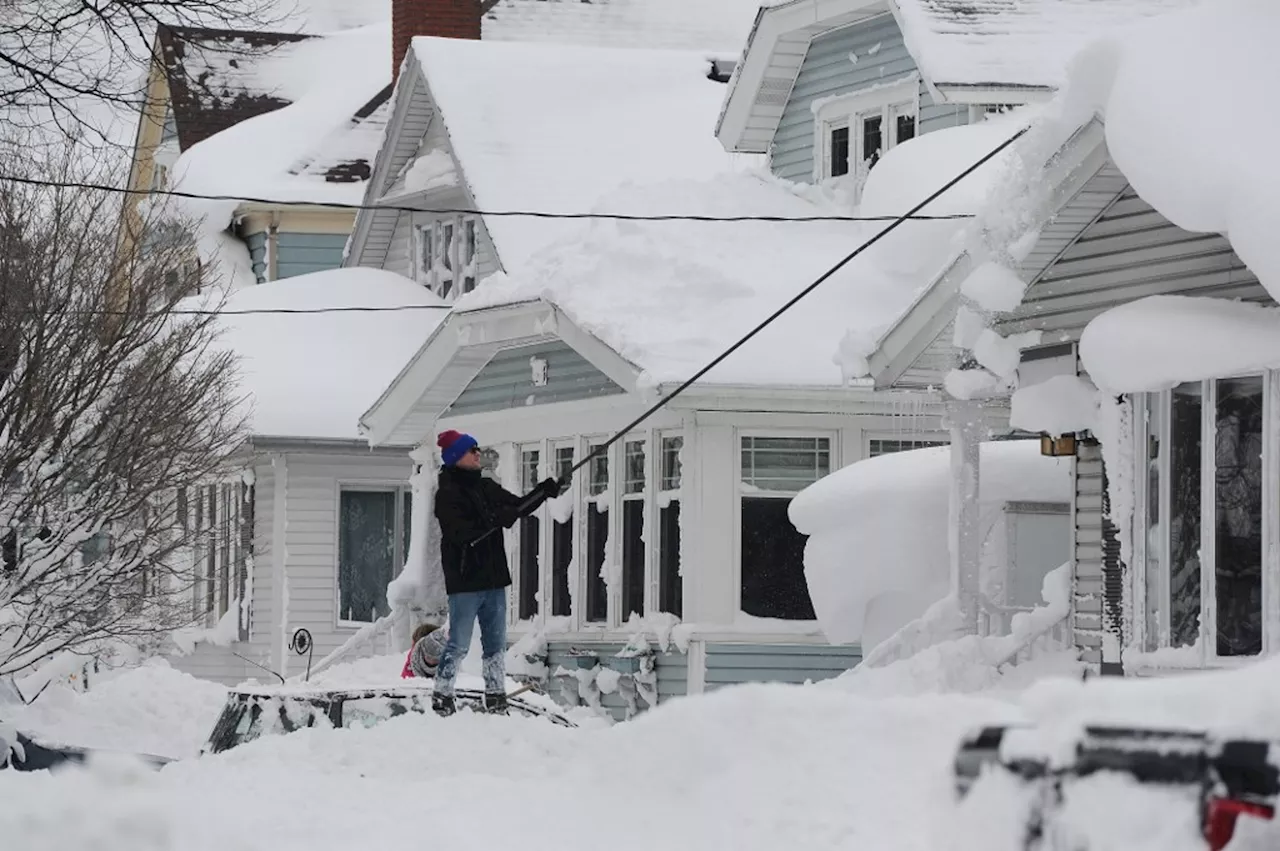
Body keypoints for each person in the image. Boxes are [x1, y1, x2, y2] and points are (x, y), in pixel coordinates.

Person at [432, 430, 564, 715]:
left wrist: (543, 491)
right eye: (472, 451)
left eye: (478, 450)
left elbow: (516, 508)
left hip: (493, 579)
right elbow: (461, 534)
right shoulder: (447, 495)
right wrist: (495, 519)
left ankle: (495, 695)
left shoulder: (485, 487)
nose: (479, 454)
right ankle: (442, 694)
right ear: (456, 458)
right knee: (459, 643)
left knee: (495, 644)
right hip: (465, 582)